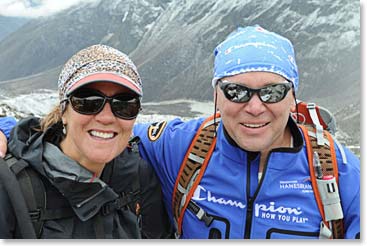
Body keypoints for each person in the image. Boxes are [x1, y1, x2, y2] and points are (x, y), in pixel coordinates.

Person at [0, 25, 360, 239]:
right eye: (236, 91)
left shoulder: (338, 172)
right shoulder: (183, 146)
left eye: (272, 91)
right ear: (215, 95)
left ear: (294, 94)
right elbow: (97, 131)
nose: (254, 106)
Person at [0, 44, 172, 238]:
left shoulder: (139, 178)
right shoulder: (11, 188)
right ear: (63, 112)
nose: (106, 118)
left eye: (125, 105)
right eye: (88, 102)